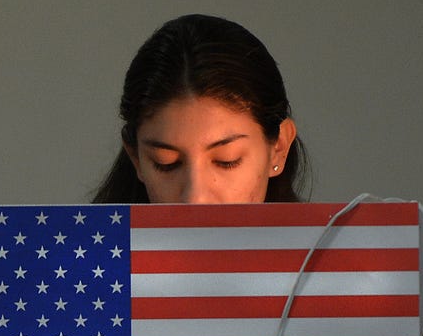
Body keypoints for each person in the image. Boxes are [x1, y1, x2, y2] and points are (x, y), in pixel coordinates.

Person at [91, 14, 308, 204]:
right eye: (166, 163)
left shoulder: (326, 251)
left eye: (227, 161)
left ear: (278, 148)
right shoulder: (88, 251)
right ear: (136, 158)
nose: (195, 198)